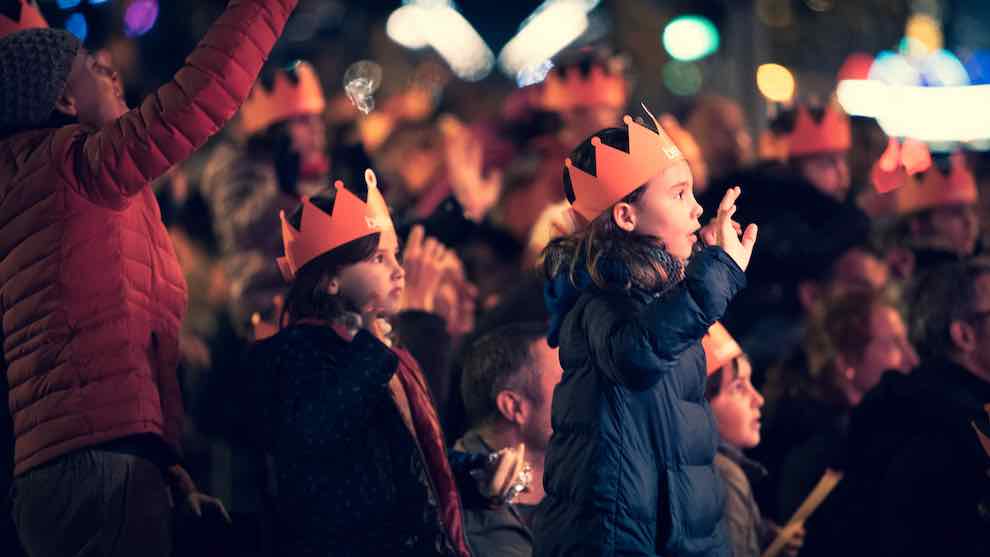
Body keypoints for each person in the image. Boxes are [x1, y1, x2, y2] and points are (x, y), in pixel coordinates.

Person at [0, 0, 298, 555]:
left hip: (81, 466)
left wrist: (167, 469)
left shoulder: (46, 188)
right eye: (92, 65)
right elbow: (197, 97)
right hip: (102, 469)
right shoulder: (75, 166)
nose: (112, 68)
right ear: (64, 101)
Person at [245, 169, 528, 555]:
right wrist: (371, 349)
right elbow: (314, 430)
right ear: (330, 280)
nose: (398, 270)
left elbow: (411, 468)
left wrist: (477, 473)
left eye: (395, 254)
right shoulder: (293, 355)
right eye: (378, 258)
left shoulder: (386, 353)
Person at [533, 109, 758, 556]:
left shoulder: (662, 297)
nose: (697, 208)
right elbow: (638, 354)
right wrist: (717, 272)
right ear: (626, 215)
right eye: (678, 195)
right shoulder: (599, 298)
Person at [807, 257, 990, 556]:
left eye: (907, 341)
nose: (911, 358)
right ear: (963, 335)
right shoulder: (936, 429)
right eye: (893, 343)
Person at [201, 59, 330, 335]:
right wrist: (281, 193)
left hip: (305, 299)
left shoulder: (309, 172)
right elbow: (239, 228)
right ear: (276, 129)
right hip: (265, 306)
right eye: (303, 121)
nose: (317, 129)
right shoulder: (236, 165)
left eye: (318, 118)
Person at [456, 322, 564, 557]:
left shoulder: (577, 474)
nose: (578, 394)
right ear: (513, 406)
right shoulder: (458, 502)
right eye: (563, 383)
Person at [702, 322, 804, 557]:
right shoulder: (726, 477)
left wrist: (760, 534)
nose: (758, 399)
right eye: (738, 387)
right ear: (701, 404)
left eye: (751, 383)